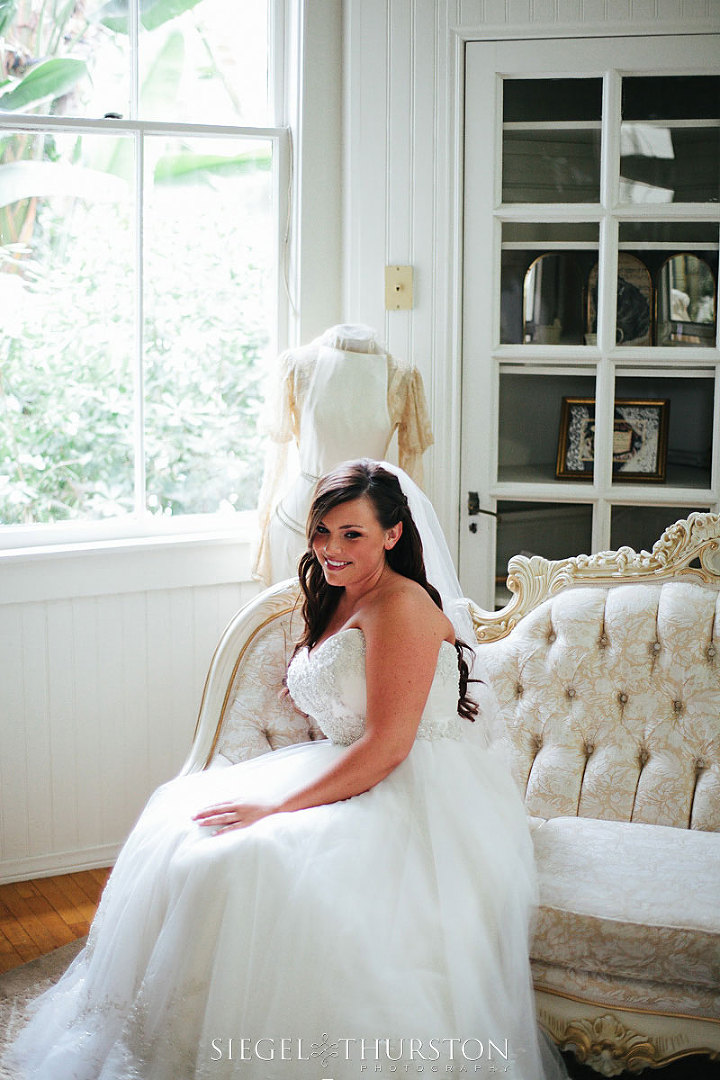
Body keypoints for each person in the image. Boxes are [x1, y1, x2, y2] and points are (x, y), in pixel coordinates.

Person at [4, 460, 569, 1080]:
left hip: (418, 789)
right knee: (184, 829)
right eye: (322, 531)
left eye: (352, 533)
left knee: (238, 861)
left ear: (393, 535)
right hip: (355, 765)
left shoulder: (401, 606)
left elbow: (388, 747)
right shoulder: (338, 596)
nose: (330, 548)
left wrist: (275, 807)